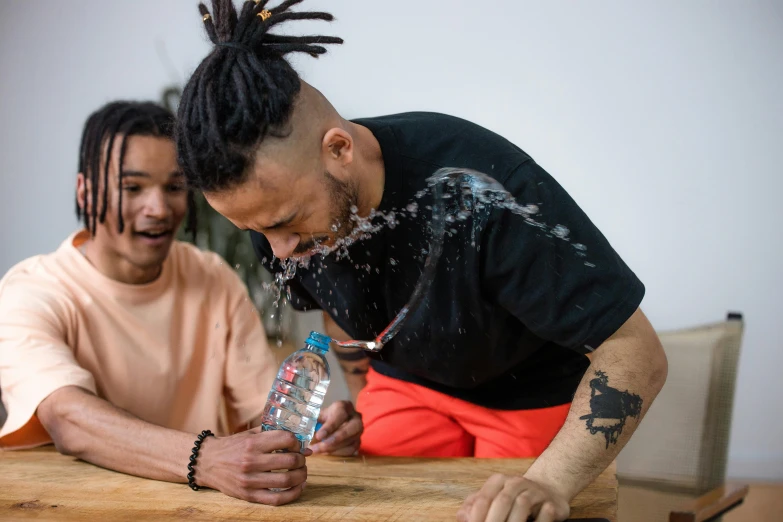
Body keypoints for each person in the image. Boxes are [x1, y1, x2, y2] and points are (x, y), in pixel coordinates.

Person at [175, 2, 668, 521]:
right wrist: (361, 406)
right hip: (407, 388)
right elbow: (331, 303)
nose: (278, 250)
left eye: (287, 223)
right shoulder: (272, 212)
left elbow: (637, 353)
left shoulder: (486, 191)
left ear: (339, 149)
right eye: (255, 231)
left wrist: (548, 484)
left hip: (530, 395)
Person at [0, 100, 362, 506]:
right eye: (132, 188)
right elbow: (67, 418)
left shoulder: (212, 278)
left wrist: (317, 430)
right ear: (85, 191)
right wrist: (205, 459)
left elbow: (263, 415)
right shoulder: (30, 292)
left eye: (174, 188)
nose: (158, 209)